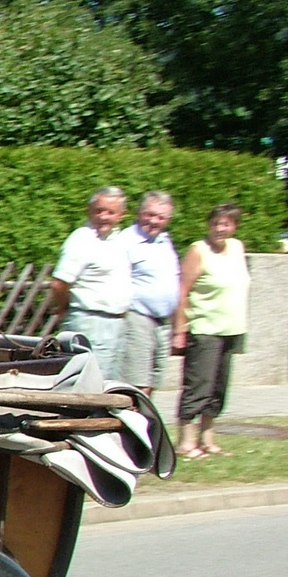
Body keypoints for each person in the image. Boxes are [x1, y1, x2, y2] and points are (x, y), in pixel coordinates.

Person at [172, 203, 251, 459]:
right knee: (199, 386)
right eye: (216, 223)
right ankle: (186, 442)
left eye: (226, 223)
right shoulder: (199, 250)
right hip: (204, 329)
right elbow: (182, 291)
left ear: (234, 226)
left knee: (218, 389)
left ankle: (207, 439)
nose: (220, 228)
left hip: (231, 329)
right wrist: (179, 329)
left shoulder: (237, 247)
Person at [49, 186, 131, 380]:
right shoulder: (81, 239)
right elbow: (59, 283)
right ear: (89, 210)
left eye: (110, 212)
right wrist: (64, 307)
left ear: (121, 215)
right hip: (90, 321)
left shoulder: (119, 240)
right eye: (99, 210)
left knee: (110, 381)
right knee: (89, 381)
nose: (104, 216)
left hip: (116, 322)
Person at [117, 191, 180, 395]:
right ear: (139, 213)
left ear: (168, 220)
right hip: (137, 317)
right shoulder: (126, 241)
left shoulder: (164, 240)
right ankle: (131, 424)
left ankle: (144, 422)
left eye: (160, 217)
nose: (154, 221)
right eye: (149, 214)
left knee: (154, 379)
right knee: (137, 382)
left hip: (163, 322)